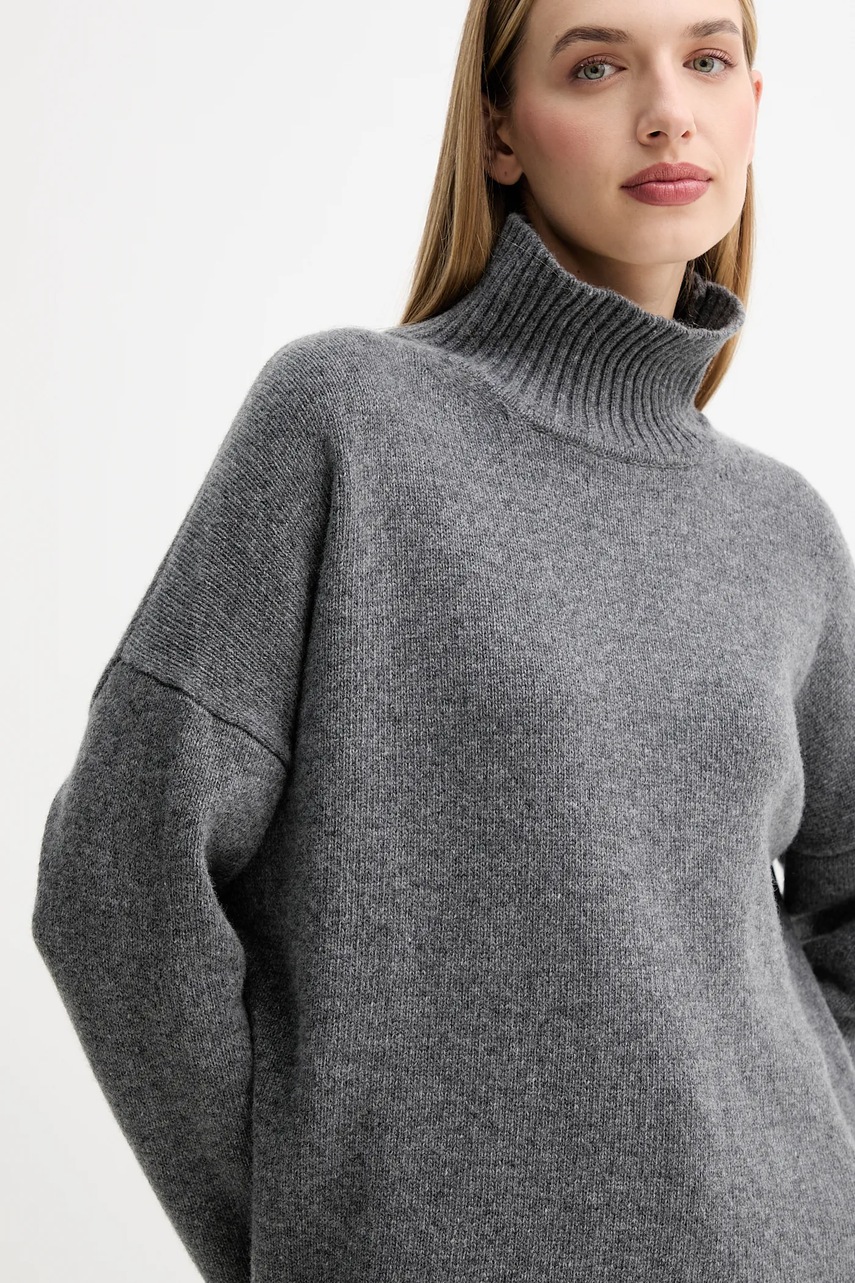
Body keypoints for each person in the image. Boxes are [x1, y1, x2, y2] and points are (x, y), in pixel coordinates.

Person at [31, 0, 855, 1279]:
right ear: (500, 132)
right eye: (596, 66)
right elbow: (115, 879)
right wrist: (306, 1236)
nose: (667, 112)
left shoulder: (785, 529)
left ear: (754, 102)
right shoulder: (349, 421)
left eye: (707, 59)